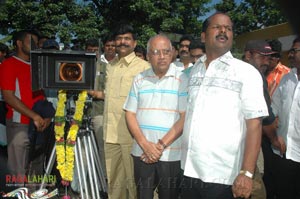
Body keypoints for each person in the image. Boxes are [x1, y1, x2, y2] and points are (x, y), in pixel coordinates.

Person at [180, 12, 269, 199]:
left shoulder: (246, 72)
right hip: (189, 170)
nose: (223, 31)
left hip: (224, 175)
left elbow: (255, 125)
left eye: (228, 28)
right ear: (203, 36)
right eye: (217, 27)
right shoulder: (192, 72)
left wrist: (246, 173)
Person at [124, 34, 188, 199]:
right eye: (156, 52)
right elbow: (130, 113)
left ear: (173, 53)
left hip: (170, 155)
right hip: (142, 153)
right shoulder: (139, 79)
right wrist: (145, 145)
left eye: (166, 52)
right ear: (147, 56)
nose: (162, 57)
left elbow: (185, 117)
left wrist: (159, 146)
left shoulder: (183, 79)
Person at [103, 24, 150, 199]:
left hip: (132, 137)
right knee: (114, 182)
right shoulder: (110, 66)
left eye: (127, 38)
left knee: (135, 183)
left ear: (135, 42)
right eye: (119, 38)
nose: (122, 42)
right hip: (111, 135)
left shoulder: (144, 67)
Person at [0, 30, 51, 177]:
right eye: (31, 42)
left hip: (39, 125)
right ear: (19, 43)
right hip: (19, 124)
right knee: (18, 172)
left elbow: (42, 96)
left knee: (35, 169)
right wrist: (35, 116)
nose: (34, 45)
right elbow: (8, 97)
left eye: (36, 42)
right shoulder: (8, 65)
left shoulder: (36, 66)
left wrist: (46, 117)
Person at [244, 39, 278, 199]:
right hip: (247, 146)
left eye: (269, 57)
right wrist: (275, 139)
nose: (267, 61)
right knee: (256, 192)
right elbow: (265, 119)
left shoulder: (235, 71)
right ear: (248, 55)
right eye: (262, 56)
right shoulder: (255, 76)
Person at [270, 36, 300, 199]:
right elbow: (274, 108)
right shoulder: (287, 78)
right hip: (284, 151)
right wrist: (274, 135)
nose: (291, 54)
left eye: (295, 51)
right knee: (284, 192)